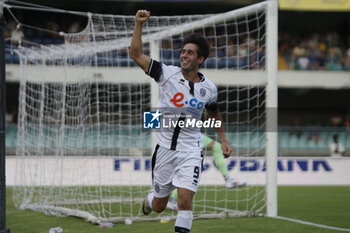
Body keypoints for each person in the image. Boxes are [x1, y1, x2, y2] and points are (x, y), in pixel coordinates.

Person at [130, 10, 232, 233]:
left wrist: (223, 139)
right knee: (159, 206)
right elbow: (136, 54)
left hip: (191, 151)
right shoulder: (166, 73)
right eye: (183, 51)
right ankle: (150, 199)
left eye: (190, 53)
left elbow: (214, 114)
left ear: (200, 59)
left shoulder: (209, 89)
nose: (184, 55)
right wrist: (139, 25)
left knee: (185, 201)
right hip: (165, 149)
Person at [166, 134, 246, 211]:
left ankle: (172, 200)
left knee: (185, 171)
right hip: (186, 135)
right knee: (216, 146)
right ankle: (228, 179)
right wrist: (224, 140)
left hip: (176, 137)